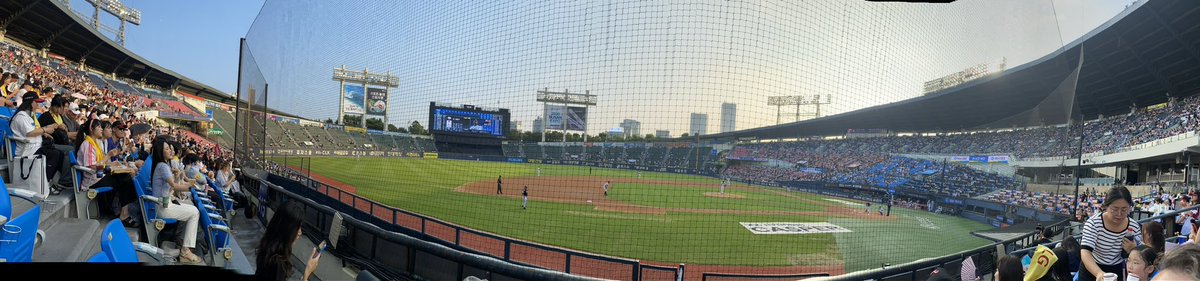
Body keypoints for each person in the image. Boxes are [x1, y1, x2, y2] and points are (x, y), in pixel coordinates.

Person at [74, 117, 139, 226]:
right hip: (92, 181)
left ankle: (122, 213)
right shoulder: (88, 145)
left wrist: (111, 164)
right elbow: (93, 166)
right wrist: (109, 157)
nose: (101, 129)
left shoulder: (94, 143)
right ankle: (124, 215)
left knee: (125, 176)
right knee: (125, 178)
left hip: (98, 177)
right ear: (91, 129)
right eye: (99, 127)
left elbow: (99, 162)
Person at [150, 138, 203, 265]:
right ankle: (185, 251)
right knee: (194, 212)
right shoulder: (162, 166)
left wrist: (177, 175)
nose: (170, 151)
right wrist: (190, 187)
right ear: (160, 152)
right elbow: (174, 186)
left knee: (193, 211)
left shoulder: (162, 165)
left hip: (165, 204)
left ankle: (185, 249)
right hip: (163, 207)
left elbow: (170, 185)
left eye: (170, 148)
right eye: (167, 149)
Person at [9, 92, 67, 193]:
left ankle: (48, 181)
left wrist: (44, 133)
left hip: (36, 146)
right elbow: (30, 132)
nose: (38, 105)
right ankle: (45, 183)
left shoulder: (28, 115)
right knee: (55, 154)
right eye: (37, 102)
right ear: (31, 103)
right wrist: (45, 130)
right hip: (28, 149)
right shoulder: (21, 116)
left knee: (60, 154)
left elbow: (33, 130)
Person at [1081, 186, 1141, 281]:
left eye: (1124, 209)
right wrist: (1099, 273)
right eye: (1115, 209)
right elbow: (1085, 252)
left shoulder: (1134, 226)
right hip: (1092, 268)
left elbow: (1140, 253)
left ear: (1130, 207)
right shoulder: (1094, 223)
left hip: (1116, 269)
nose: (1119, 214)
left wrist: (1133, 249)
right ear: (1106, 206)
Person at [255, 201, 320, 281]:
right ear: (288, 229)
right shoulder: (277, 262)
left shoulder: (268, 247)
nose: (300, 232)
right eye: (297, 228)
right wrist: (307, 272)